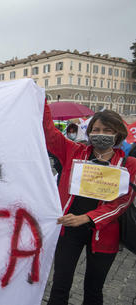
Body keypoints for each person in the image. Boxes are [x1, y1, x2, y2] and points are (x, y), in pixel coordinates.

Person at [43, 101, 136, 305]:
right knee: (59, 286)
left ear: (118, 133)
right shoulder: (74, 151)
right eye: (96, 129)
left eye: (106, 130)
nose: (100, 133)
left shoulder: (128, 164)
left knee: (93, 290)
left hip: (104, 234)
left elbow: (122, 202)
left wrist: (86, 218)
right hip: (69, 230)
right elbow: (49, 132)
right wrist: (40, 100)